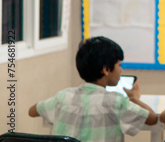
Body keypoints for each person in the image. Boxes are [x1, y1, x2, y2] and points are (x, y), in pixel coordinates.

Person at [29, 36, 157, 142]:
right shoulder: (117, 102)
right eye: (119, 65)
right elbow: (153, 119)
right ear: (106, 69)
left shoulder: (63, 96)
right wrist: (134, 98)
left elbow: (32, 111)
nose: (121, 70)